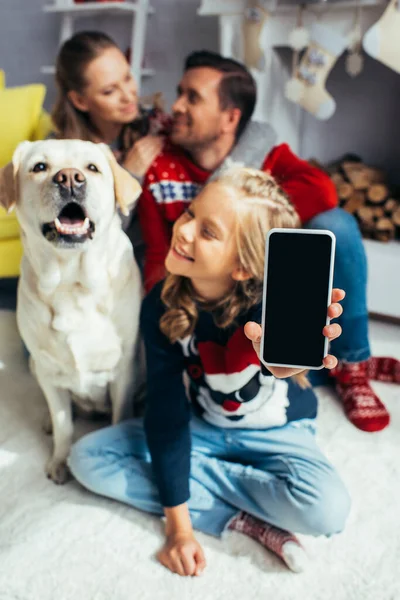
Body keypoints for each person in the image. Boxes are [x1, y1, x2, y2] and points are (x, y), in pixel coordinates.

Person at [68, 167, 350, 576]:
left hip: (277, 433)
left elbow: (281, 362)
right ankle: (243, 520)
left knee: (328, 511)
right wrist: (178, 528)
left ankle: (194, 484)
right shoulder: (160, 307)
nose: (183, 230)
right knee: (87, 458)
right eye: (189, 214)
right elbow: (166, 413)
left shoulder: (269, 308)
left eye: (208, 232)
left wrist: (281, 366)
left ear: (241, 267)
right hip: (201, 428)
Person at [137, 50, 400, 434]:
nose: (175, 106)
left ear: (230, 118)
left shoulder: (266, 156)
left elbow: (322, 191)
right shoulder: (161, 168)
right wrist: (165, 323)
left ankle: (354, 365)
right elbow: (159, 253)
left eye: (192, 97)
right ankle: (325, 365)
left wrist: (248, 215)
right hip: (197, 297)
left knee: (337, 225)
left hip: (253, 294)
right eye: (179, 93)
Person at [51, 30, 165, 254]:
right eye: (109, 91)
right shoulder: (61, 158)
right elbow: (89, 242)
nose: (128, 96)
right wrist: (130, 175)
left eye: (128, 78)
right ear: (80, 100)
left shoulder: (156, 127)